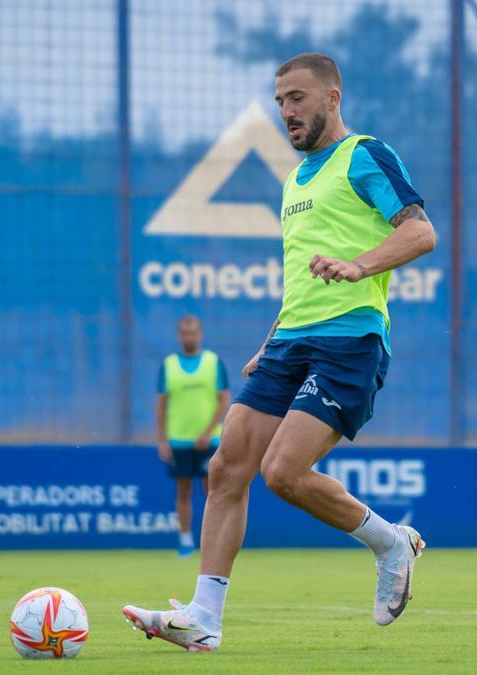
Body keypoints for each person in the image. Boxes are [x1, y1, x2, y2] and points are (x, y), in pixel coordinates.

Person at [123, 52, 436, 652]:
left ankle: (390, 542)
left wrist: (359, 265)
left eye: (296, 98)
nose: (286, 112)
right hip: (290, 342)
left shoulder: (364, 155)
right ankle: (204, 620)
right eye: (279, 103)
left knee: (283, 474)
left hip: (350, 341)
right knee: (225, 469)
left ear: (332, 97)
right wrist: (270, 342)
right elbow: (301, 276)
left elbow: (420, 231)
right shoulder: (293, 180)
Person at [155, 315, 230, 557]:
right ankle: (185, 541)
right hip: (179, 439)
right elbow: (161, 405)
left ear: (200, 334)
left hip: (209, 440)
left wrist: (208, 432)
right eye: (185, 333)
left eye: (193, 332)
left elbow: (224, 402)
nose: (189, 337)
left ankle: (214, 543)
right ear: (179, 336)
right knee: (183, 491)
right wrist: (163, 439)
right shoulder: (169, 365)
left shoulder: (213, 362)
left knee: (213, 493)